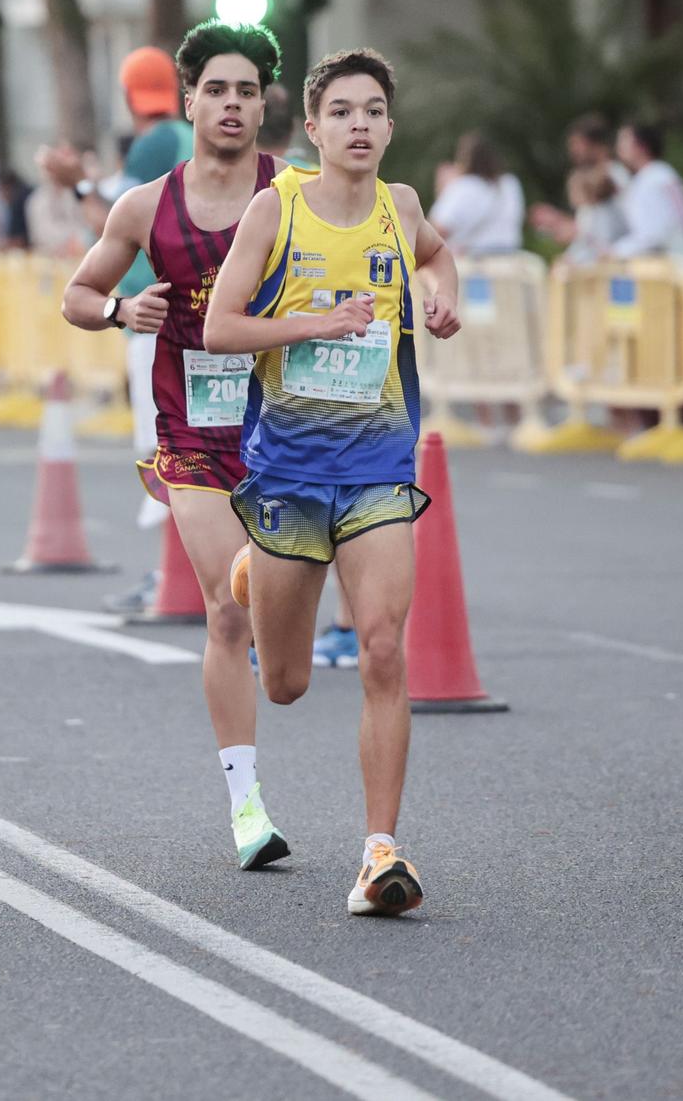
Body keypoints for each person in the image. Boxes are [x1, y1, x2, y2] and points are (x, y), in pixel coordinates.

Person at [205, 47, 462, 917]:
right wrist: (319, 322)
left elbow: (436, 254)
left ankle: (380, 851)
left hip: (378, 465)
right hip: (288, 471)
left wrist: (443, 292)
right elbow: (219, 327)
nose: (361, 125)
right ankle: (252, 572)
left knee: (384, 646)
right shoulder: (274, 212)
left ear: (391, 126)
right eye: (343, 111)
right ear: (312, 128)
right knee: (285, 683)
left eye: (375, 111)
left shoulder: (402, 207)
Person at [60, 18, 289, 871]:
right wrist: (123, 310)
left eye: (246, 90)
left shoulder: (295, 195)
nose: (231, 105)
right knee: (227, 609)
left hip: (290, 432)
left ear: (265, 102)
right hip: (191, 433)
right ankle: (247, 805)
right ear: (188, 99)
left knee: (279, 629)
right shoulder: (146, 205)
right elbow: (77, 296)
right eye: (216, 90)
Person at [43, 48, 196, 609]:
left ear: (130, 95)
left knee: (165, 450)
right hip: (182, 309)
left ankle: (175, 579)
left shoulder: (155, 141)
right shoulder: (182, 142)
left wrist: (77, 184)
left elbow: (112, 218)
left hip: (151, 313)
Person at [607, 122, 683, 259]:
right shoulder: (662, 173)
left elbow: (653, 235)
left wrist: (616, 251)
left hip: (681, 266)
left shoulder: (650, 180)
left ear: (642, 146)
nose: (619, 148)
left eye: (624, 140)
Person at [529, 114, 627, 261]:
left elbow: (606, 235)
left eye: (577, 144)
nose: (573, 150)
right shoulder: (587, 179)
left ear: (596, 145)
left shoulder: (616, 176)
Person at [428, 132, 524, 257]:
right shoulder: (510, 184)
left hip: (475, 259)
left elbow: (437, 230)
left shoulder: (464, 186)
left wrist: (443, 190)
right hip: (511, 255)